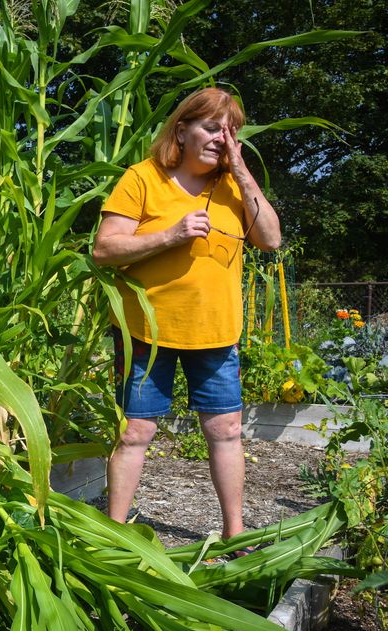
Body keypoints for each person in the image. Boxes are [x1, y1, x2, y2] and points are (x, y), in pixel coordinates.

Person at [91, 87, 281, 547]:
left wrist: (242, 170)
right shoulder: (144, 177)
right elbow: (104, 248)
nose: (222, 139)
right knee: (135, 432)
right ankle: (115, 536)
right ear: (182, 130)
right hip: (146, 331)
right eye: (211, 128)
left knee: (227, 431)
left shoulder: (235, 184)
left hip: (215, 331)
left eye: (230, 131)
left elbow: (271, 240)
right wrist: (171, 234)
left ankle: (235, 534)